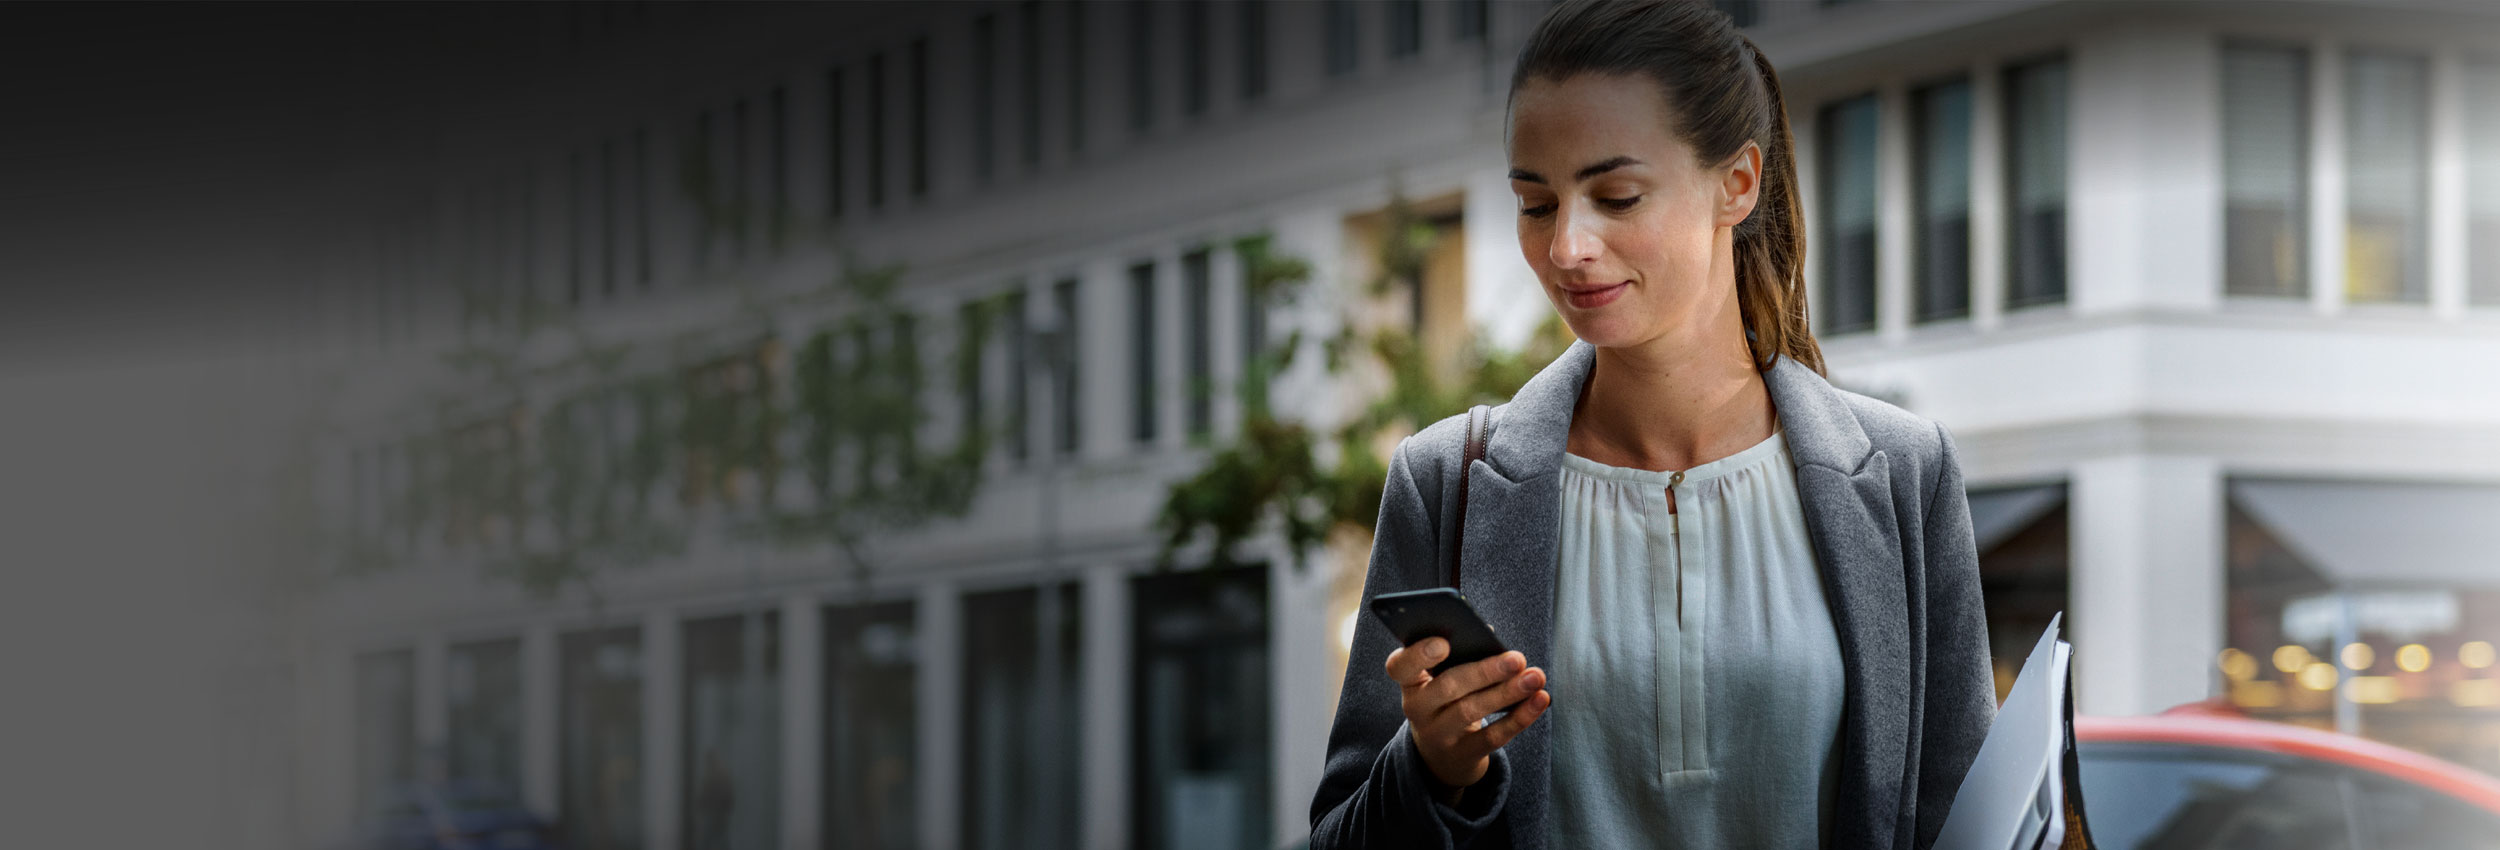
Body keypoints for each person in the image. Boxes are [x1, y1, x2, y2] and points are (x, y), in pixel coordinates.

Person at [1308, 2, 1996, 848]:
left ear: (1736, 184)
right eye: (1536, 204)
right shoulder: (1444, 482)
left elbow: (1968, 821)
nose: (1567, 246)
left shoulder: (1902, 472)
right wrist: (1429, 772)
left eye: (1616, 195)